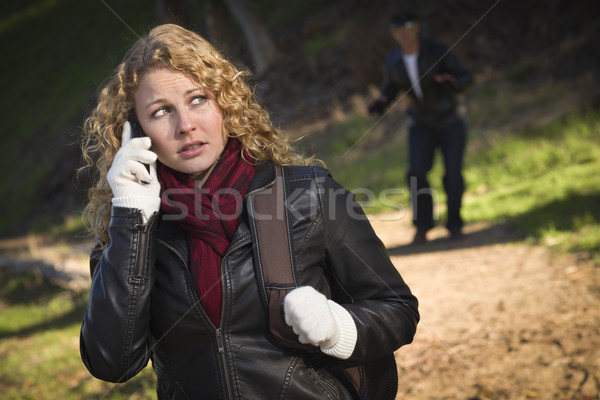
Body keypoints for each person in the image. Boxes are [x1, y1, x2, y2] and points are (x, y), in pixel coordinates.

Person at [79, 24, 419, 399]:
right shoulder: (130, 229)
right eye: (161, 111)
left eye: (197, 99)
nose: (185, 125)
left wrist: (340, 328)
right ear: (135, 131)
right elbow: (112, 363)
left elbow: (398, 310)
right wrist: (131, 220)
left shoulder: (310, 195)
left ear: (225, 102)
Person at [368, 10, 473, 244]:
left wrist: (453, 83)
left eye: (407, 26)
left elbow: (466, 78)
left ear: (417, 27)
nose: (403, 32)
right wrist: (379, 103)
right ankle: (423, 226)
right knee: (416, 172)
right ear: (392, 33)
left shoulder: (438, 50)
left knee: (453, 173)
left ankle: (455, 224)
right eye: (397, 28)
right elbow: (389, 89)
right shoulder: (393, 60)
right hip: (421, 123)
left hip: (450, 120)